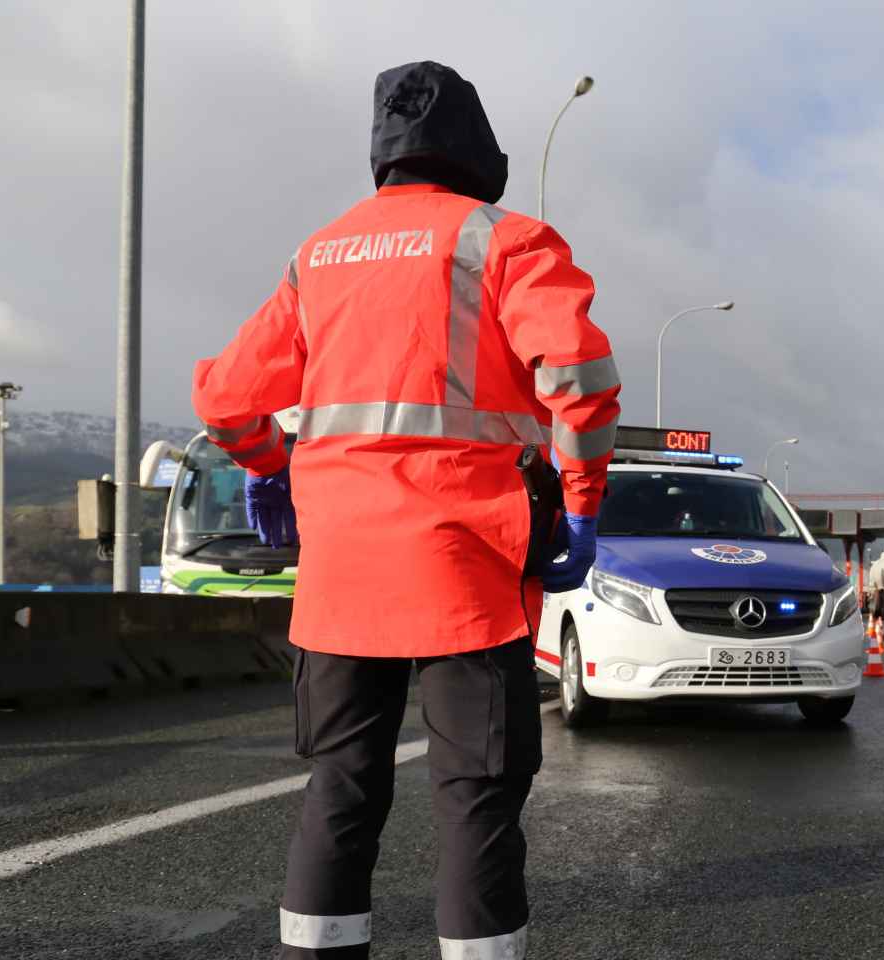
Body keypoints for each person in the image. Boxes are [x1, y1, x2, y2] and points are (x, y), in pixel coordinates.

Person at [192, 61, 620, 959]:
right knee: (476, 795)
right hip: (467, 568)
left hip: (342, 576)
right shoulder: (506, 242)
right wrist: (580, 507)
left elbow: (227, 400)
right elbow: (576, 380)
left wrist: (272, 464)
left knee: (340, 788)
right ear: (473, 146)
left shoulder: (318, 256)